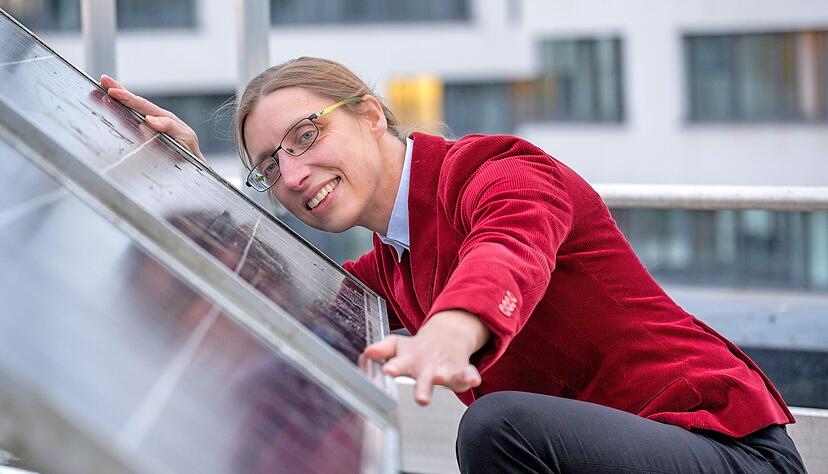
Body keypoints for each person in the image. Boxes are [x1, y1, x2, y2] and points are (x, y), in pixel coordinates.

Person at [100, 57, 807, 473]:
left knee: (495, 428)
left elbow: (510, 246)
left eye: (307, 135)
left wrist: (452, 329)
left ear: (372, 114)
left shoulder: (497, 170)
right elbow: (283, 311)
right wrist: (193, 179)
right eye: (269, 165)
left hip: (726, 451)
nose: (293, 172)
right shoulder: (388, 271)